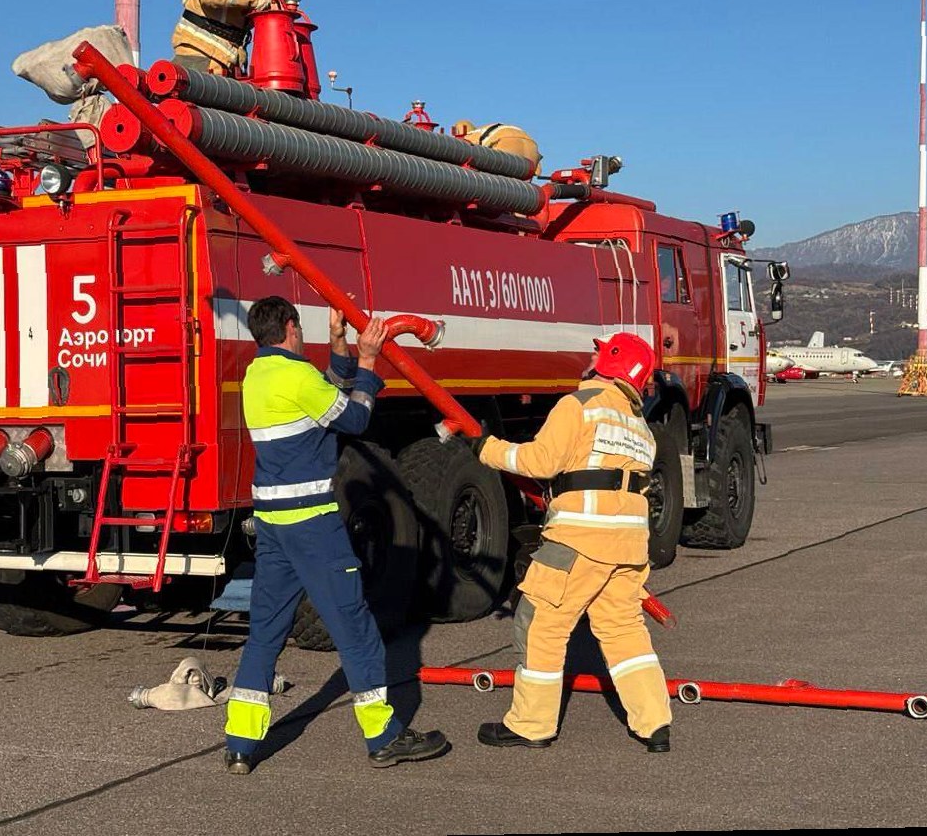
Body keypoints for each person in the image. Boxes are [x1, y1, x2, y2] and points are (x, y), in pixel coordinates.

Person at [223, 295, 451, 774]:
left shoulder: (257, 375)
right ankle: (384, 737)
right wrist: (368, 360)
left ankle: (240, 742)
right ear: (290, 327)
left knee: (265, 631)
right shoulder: (297, 376)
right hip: (312, 525)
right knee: (355, 627)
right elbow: (354, 418)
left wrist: (338, 343)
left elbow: (324, 394)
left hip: (272, 524)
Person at [461, 332, 673, 753]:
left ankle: (531, 724)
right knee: (624, 631)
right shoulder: (640, 428)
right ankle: (655, 723)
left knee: (540, 625)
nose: (591, 357)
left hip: (579, 539)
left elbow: (540, 462)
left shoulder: (579, 406)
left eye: (599, 352)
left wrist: (486, 448)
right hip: (629, 546)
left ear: (610, 362)